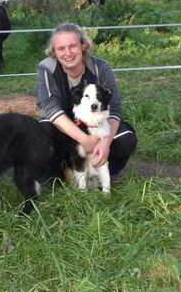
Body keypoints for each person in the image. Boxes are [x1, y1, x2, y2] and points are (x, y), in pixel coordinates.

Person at [36, 23, 137, 183]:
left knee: (126, 139)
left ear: (83, 45)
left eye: (72, 46)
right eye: (61, 48)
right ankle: (57, 176)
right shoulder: (46, 68)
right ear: (54, 52)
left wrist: (105, 143)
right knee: (41, 132)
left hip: (96, 126)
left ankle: (106, 173)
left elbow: (115, 107)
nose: (67, 53)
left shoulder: (101, 67)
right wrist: (83, 139)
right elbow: (49, 107)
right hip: (62, 128)